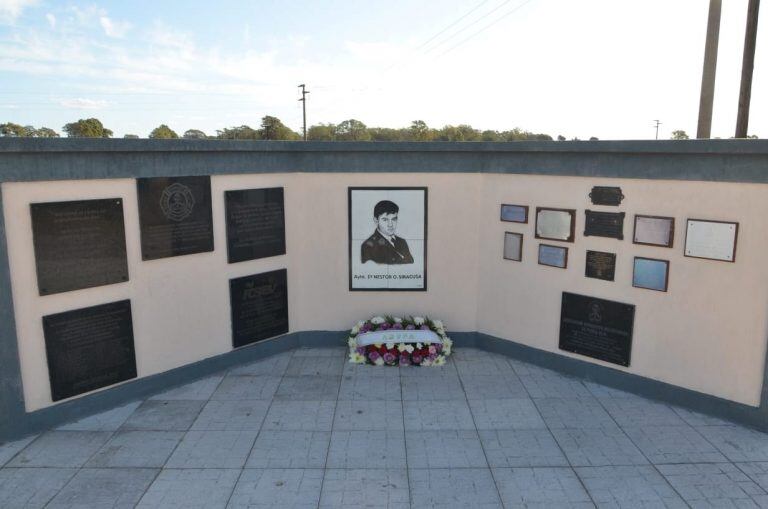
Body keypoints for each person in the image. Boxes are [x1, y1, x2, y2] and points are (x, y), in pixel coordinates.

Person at [361, 200, 414, 264]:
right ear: (376, 220)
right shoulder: (368, 246)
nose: (390, 224)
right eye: (385, 220)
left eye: (394, 219)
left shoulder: (402, 242)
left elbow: (411, 264)